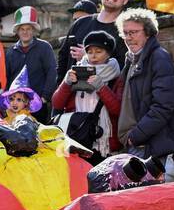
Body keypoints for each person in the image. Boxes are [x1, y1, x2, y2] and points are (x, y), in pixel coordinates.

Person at [114, 8, 174, 172]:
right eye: (125, 33)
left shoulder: (158, 58)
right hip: (139, 143)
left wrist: (135, 137)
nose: (128, 38)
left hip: (150, 145)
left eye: (133, 32)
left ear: (148, 32)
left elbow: (163, 106)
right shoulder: (132, 59)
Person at [52, 29, 123, 162]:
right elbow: (57, 104)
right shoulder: (76, 71)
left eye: (98, 51)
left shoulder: (116, 77)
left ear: (108, 54)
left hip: (104, 141)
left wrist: (101, 87)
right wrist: (66, 84)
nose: (93, 56)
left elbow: (117, 110)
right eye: (89, 52)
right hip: (77, 136)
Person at [57, 0, 130, 81]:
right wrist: (59, 89)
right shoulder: (80, 23)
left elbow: (123, 66)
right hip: (71, 93)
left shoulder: (125, 30)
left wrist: (88, 57)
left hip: (104, 94)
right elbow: (62, 59)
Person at [5, 7, 56, 122]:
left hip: (38, 105)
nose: (25, 32)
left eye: (28, 28)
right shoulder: (11, 51)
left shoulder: (44, 47)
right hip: (16, 106)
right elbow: (7, 77)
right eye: (22, 29)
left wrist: (44, 97)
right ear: (17, 31)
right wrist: (9, 100)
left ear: (33, 30)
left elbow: (52, 72)